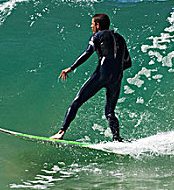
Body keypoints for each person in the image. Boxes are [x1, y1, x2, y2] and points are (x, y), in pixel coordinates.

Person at [50, 13, 132, 142]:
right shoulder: (120, 38)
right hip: (117, 77)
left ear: (98, 25)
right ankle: (117, 138)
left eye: (92, 24)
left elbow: (87, 53)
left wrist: (71, 68)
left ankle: (61, 132)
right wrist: (114, 72)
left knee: (77, 102)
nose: (91, 26)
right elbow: (128, 62)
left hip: (102, 74)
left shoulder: (97, 36)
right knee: (110, 111)